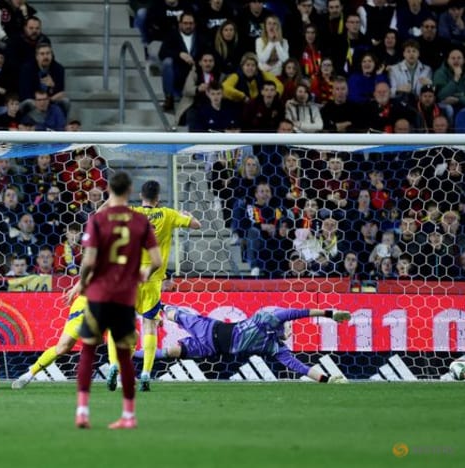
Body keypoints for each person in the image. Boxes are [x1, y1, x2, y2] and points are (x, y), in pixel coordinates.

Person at [67, 171, 161, 430]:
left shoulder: (98, 219)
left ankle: (83, 412)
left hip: (98, 294)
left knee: (88, 350)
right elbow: (157, 261)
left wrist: (82, 284)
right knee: (124, 355)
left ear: (109, 190)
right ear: (130, 191)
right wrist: (142, 275)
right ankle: (128, 416)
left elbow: (88, 260)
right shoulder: (140, 222)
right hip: (124, 297)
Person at [104, 180, 200, 392]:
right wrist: (188, 215)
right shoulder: (167, 214)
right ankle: (146, 373)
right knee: (149, 326)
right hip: (153, 281)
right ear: (158, 198)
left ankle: (113, 365)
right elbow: (196, 225)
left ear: (141, 195)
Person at [145, 306, 351, 383]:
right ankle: (154, 309)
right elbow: (301, 313)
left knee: (172, 352)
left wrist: (326, 379)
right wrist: (330, 313)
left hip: (210, 348)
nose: (290, 332)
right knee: (174, 315)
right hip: (209, 329)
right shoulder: (269, 317)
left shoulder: (274, 347)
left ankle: (132, 355)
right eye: (289, 328)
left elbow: (298, 366)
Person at [12, 294, 89, 389]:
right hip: (87, 303)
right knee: (63, 348)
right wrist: (75, 289)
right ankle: (29, 374)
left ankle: (112, 365)